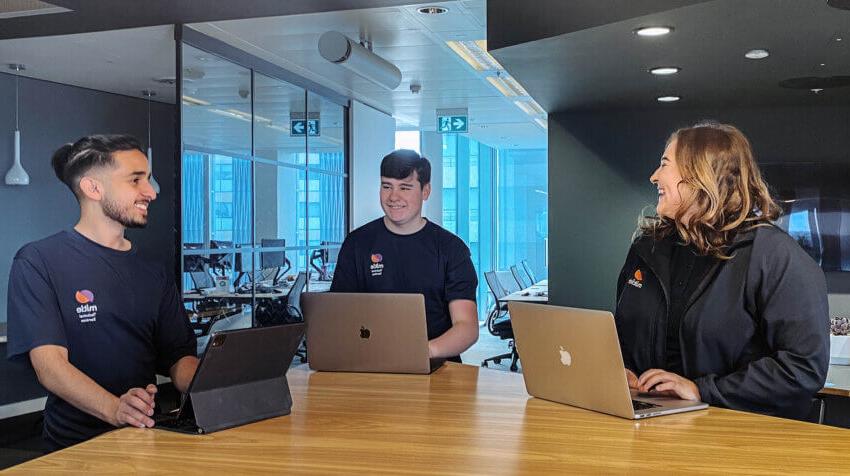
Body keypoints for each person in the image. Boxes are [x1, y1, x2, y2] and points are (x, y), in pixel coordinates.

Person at [614, 122, 829, 420]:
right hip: (646, 426)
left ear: (699, 173)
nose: (654, 176)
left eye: (664, 164)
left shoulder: (773, 256)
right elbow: (623, 333)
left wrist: (703, 390)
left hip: (732, 435)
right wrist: (619, 369)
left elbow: (802, 368)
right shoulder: (646, 249)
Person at [6, 135, 199, 450]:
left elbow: (178, 356)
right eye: (136, 180)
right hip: (74, 448)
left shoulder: (153, 270)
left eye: (147, 180)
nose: (150, 192)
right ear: (93, 188)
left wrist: (227, 381)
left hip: (145, 437)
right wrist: (115, 408)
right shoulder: (39, 261)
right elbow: (50, 366)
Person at [331, 149, 479, 362]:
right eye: (386, 186)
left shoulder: (451, 249)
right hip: (370, 364)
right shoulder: (357, 244)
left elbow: (466, 326)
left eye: (405, 187)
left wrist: (422, 352)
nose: (393, 197)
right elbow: (339, 316)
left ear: (425, 191)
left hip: (437, 367)